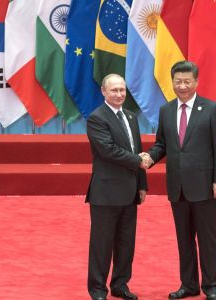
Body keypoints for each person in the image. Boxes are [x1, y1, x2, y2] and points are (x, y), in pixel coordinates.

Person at [141, 61, 216, 300]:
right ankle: (188, 285)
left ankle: (213, 287)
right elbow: (162, 144)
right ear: (172, 82)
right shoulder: (166, 110)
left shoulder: (212, 109)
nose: (182, 86)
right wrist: (150, 157)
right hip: (177, 186)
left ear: (196, 82)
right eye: (177, 81)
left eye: (186, 81)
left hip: (205, 186)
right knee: (184, 239)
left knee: (209, 239)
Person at [85, 74, 149, 300]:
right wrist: (138, 161)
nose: (119, 94)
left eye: (122, 90)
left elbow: (137, 148)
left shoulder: (131, 117)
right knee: (102, 244)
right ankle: (97, 289)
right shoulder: (96, 118)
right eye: (114, 90)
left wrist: (142, 184)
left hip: (130, 192)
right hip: (106, 193)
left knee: (125, 244)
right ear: (103, 91)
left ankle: (120, 285)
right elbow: (108, 150)